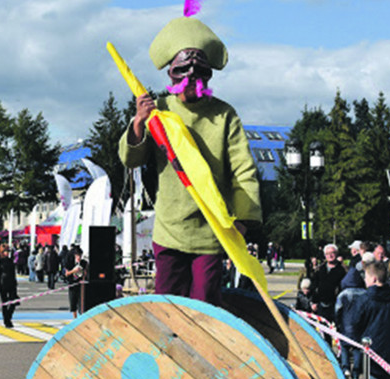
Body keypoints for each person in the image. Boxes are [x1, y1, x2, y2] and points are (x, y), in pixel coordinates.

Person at [118, 13, 261, 306]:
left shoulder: (225, 115)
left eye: (199, 73)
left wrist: (243, 221)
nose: (191, 79)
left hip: (211, 231)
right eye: (182, 71)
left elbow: (243, 170)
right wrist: (138, 124)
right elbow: (130, 159)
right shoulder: (156, 110)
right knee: (168, 307)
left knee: (205, 305)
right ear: (171, 73)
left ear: (208, 75)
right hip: (169, 230)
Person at [335, 252, 370, 379]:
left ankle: (345, 369)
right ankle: (356, 374)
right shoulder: (365, 294)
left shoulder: (343, 294)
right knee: (357, 349)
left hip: (345, 324)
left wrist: (337, 322)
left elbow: (337, 310)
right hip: (360, 326)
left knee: (344, 348)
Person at [309, 244, 346, 322]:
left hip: (335, 305)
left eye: (332, 253)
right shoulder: (320, 269)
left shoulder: (342, 271)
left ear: (336, 254)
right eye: (327, 254)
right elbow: (314, 286)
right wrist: (314, 301)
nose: (330, 255)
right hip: (320, 305)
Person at [0, 243, 19, 328]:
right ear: (1, 252)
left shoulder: (10, 260)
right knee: (4, 303)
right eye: (5, 251)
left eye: (8, 251)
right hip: (2, 284)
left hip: (11, 283)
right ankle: (6, 320)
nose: (7, 253)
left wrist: (15, 283)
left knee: (14, 302)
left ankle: (8, 317)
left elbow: (13, 273)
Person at [64, 248, 87, 318]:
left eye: (80, 255)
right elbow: (66, 274)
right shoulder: (69, 263)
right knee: (73, 302)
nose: (79, 257)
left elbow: (86, 273)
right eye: (77, 255)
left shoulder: (84, 263)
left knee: (81, 302)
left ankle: (81, 317)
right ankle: (75, 318)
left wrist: (84, 272)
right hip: (72, 284)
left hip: (81, 285)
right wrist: (74, 271)